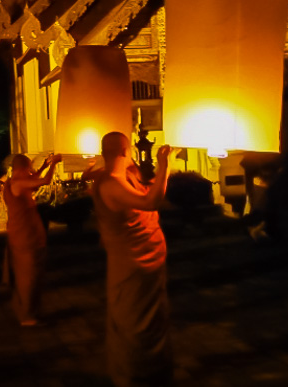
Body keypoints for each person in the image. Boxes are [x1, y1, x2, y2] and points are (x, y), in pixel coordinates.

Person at [91, 132, 173, 387]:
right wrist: (164, 166)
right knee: (135, 322)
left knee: (152, 317)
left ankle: (152, 372)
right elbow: (151, 201)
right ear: (125, 151)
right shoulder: (112, 183)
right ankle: (136, 375)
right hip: (133, 263)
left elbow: (142, 188)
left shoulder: (118, 177)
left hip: (145, 260)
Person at [3, 152, 61, 326]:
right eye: (29, 170)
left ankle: (26, 311)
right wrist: (53, 165)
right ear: (21, 169)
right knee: (28, 276)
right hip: (24, 237)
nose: (31, 173)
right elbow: (43, 181)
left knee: (31, 274)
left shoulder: (17, 181)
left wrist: (44, 166)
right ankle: (27, 317)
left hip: (26, 235)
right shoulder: (17, 183)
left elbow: (33, 179)